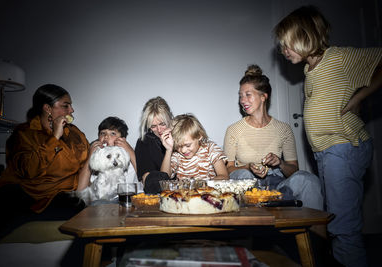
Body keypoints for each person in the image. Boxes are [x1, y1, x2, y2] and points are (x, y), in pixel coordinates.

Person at [274, 5, 382, 267]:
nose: (283, 51)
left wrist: (360, 97)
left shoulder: (339, 58)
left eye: (287, 45)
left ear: (306, 36)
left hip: (343, 146)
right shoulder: (308, 70)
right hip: (325, 152)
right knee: (333, 217)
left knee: (342, 225)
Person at [0, 84, 93, 259]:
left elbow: (87, 162)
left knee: (90, 210)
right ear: (48, 108)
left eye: (70, 105)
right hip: (30, 193)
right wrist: (54, 137)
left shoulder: (74, 133)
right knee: (2, 208)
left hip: (66, 195)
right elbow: (29, 171)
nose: (72, 109)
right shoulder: (24, 133)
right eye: (65, 105)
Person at [223, 64, 323, 210]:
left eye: (248, 94)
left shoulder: (283, 129)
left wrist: (280, 163)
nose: (242, 100)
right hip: (248, 185)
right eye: (240, 96)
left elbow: (294, 170)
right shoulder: (234, 130)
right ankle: (254, 223)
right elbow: (227, 170)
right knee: (244, 174)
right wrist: (249, 167)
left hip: (278, 185)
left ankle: (315, 231)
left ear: (264, 96)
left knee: (309, 180)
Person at [78, 116, 142, 204]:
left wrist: (130, 151)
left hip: (128, 200)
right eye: (102, 133)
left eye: (112, 133)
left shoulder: (133, 152)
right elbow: (81, 189)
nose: (106, 136)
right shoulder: (98, 156)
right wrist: (90, 157)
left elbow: (145, 180)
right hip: (102, 202)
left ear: (122, 139)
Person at [161, 113, 228, 180]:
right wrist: (168, 150)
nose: (183, 150)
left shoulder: (211, 149)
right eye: (179, 146)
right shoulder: (177, 155)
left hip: (208, 189)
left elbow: (224, 176)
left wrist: (203, 185)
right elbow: (163, 177)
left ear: (199, 136)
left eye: (188, 145)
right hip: (183, 190)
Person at [135, 96, 174, 193]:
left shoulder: (182, 136)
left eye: (162, 124)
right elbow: (151, 182)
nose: (159, 130)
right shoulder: (144, 143)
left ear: (170, 119)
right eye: (153, 126)